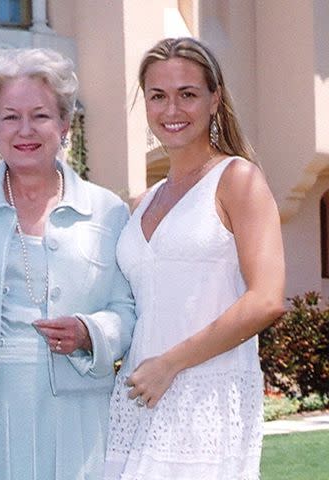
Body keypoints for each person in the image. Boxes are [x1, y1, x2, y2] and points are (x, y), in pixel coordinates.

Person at [0, 47, 136, 480]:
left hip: (76, 402)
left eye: (41, 115)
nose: (25, 129)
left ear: (64, 124)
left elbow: (128, 310)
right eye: (10, 116)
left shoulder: (108, 211)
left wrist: (92, 331)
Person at [103, 37, 285, 479]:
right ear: (144, 104)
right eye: (158, 96)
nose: (172, 110)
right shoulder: (141, 202)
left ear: (214, 99)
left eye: (187, 94)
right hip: (138, 399)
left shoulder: (237, 179)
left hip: (206, 401)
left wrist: (169, 364)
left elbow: (266, 300)